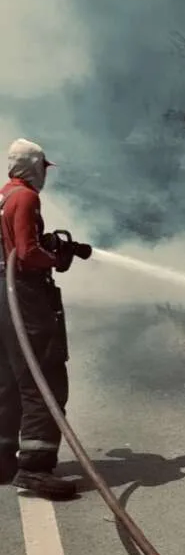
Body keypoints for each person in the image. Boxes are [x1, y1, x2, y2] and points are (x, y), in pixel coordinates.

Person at [0, 138, 78, 499]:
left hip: (3, 294)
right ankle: (35, 468)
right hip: (24, 295)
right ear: (34, 167)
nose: (45, 174)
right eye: (43, 168)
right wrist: (55, 259)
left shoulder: (4, 195)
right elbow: (26, 253)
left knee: (8, 379)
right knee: (44, 376)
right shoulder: (27, 197)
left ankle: (3, 459)